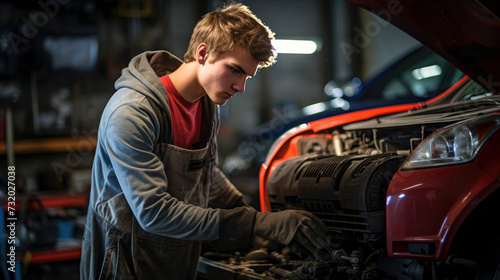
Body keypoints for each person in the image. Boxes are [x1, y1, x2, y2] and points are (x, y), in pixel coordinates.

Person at [80, 2, 329, 279]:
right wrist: (254, 223)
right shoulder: (133, 112)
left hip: (176, 257)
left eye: (246, 76)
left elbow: (207, 176)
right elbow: (152, 213)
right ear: (203, 53)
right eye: (234, 70)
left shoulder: (206, 106)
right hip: (125, 263)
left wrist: (254, 219)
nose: (241, 87)